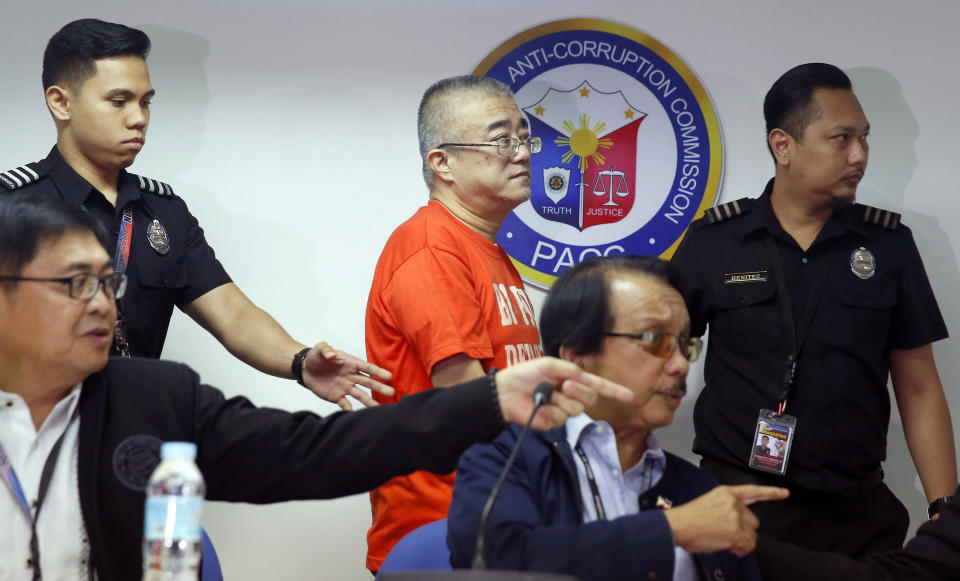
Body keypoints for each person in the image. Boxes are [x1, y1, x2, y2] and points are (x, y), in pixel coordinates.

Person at [0, 192, 634, 581]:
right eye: (75, 284)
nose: (103, 306)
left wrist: (489, 400)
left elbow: (318, 452)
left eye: (108, 283)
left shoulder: (155, 400)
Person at [0, 18, 389, 410]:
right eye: (118, 102)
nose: (138, 118)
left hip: (131, 427)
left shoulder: (163, 211)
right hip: (31, 429)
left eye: (145, 101)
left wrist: (301, 361)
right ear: (60, 102)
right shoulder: (10, 208)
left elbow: (232, 314)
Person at [671, 62, 958, 559]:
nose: (859, 155)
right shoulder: (716, 242)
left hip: (857, 514)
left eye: (864, 138)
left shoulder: (887, 245)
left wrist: (947, 510)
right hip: (742, 509)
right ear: (783, 145)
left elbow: (918, 385)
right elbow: (653, 355)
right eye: (841, 138)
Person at [447, 255, 789, 581]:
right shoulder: (505, 456)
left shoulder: (695, 488)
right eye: (656, 340)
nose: (681, 364)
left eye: (685, 345)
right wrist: (671, 530)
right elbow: (494, 562)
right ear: (577, 354)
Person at [363, 75, 543, 570]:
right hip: (442, 533)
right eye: (501, 139)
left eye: (525, 137)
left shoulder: (486, 250)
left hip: (497, 520)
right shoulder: (432, 249)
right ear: (441, 162)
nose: (522, 152)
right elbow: (468, 400)